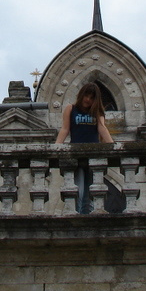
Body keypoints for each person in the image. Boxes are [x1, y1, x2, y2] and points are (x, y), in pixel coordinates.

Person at [55, 82, 113, 213]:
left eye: (92, 97)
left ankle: (91, 218)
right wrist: (56, 147)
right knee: (79, 190)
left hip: (94, 155)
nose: (88, 99)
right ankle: (80, 215)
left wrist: (113, 147)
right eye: (86, 96)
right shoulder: (71, 109)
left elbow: (102, 129)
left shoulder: (97, 112)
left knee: (92, 191)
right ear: (81, 95)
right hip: (77, 155)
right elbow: (65, 129)